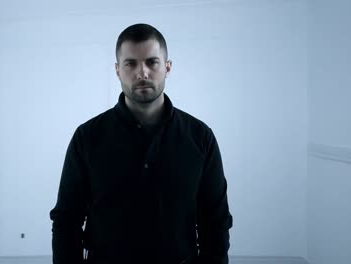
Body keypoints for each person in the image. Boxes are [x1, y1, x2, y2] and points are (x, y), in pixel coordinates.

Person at [50, 23, 233, 264]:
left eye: (151, 62)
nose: (142, 72)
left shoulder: (200, 138)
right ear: (117, 70)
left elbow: (215, 223)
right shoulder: (87, 138)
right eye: (131, 63)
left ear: (167, 68)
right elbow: (67, 221)